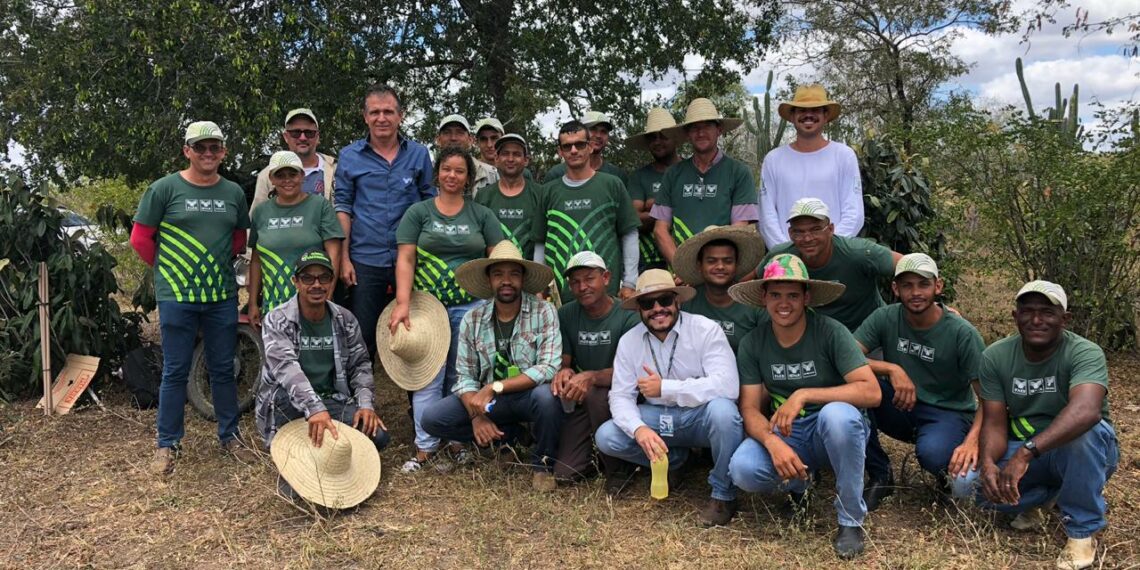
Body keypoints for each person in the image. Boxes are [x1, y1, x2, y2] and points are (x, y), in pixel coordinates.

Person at [726, 254, 880, 559]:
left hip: (830, 427)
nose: (784, 304)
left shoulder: (830, 331)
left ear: (806, 297)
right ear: (764, 298)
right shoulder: (754, 343)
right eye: (776, 295)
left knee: (839, 417)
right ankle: (800, 484)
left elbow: (871, 391)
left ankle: (850, 519)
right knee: (742, 469)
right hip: (787, 430)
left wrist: (804, 394)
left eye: (793, 295)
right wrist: (772, 443)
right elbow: (749, 409)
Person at [130, 121, 255, 475]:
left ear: (223, 152)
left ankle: (230, 437)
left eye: (214, 147)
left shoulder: (232, 193)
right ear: (187, 151)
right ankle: (167, 445)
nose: (207, 153)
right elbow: (140, 239)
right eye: (200, 147)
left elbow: (237, 239)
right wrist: (168, 269)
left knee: (223, 368)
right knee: (175, 369)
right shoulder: (164, 189)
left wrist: (216, 267)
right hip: (177, 295)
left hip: (220, 295)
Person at [977, 281, 1118, 570]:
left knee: (1082, 435)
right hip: (1032, 450)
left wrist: (1025, 454)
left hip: (1086, 449)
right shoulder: (996, 356)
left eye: (1047, 312)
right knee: (972, 488)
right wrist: (988, 462)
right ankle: (1049, 497)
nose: (1037, 320)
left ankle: (1082, 531)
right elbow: (993, 422)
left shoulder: (1084, 352)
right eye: (1027, 311)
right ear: (1015, 317)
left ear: (1064, 319)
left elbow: (1087, 411)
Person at [594, 269, 743, 526]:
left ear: (678, 301)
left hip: (699, 417)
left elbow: (728, 386)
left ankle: (723, 494)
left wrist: (667, 388)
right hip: (658, 419)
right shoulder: (629, 342)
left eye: (664, 300)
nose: (657, 309)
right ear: (639, 308)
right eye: (647, 303)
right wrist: (639, 429)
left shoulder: (706, 330)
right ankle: (675, 461)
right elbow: (620, 396)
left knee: (724, 413)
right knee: (607, 436)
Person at [391, 147, 505, 472]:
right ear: (437, 173)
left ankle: (458, 443)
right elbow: (406, 258)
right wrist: (402, 303)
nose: (452, 176)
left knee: (462, 376)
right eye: (446, 169)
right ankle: (424, 449)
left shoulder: (480, 214)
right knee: (427, 378)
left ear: (469, 177)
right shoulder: (419, 212)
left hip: (471, 308)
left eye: (459, 171)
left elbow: (498, 257)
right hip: (428, 309)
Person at [421, 241, 564, 491]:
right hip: (489, 402)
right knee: (433, 418)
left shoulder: (544, 311)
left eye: (513, 274)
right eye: (498, 274)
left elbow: (548, 367)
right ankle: (510, 437)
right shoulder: (472, 319)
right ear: (489, 280)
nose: (506, 281)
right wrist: (477, 416)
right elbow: (464, 376)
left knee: (547, 398)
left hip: (525, 395)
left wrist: (495, 387)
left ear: (523, 279)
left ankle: (543, 465)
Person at [854, 253, 985, 510]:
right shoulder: (886, 317)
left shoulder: (962, 333)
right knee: (853, 391)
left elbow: (991, 398)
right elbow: (846, 357)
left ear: (938, 286)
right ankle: (880, 474)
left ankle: (945, 476)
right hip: (902, 404)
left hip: (948, 411)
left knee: (935, 456)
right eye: (907, 285)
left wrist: (973, 441)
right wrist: (891, 368)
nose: (915, 292)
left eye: (923, 284)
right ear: (895, 289)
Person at [335, 83, 435, 360]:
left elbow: (431, 204)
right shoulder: (349, 156)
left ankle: (418, 404)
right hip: (365, 260)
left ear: (400, 116)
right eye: (375, 112)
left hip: (412, 258)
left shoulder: (418, 154)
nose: (382, 118)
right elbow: (343, 208)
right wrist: (344, 259)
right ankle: (360, 401)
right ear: (365, 116)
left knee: (416, 335)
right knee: (362, 338)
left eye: (388, 111)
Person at [255, 248, 389, 452]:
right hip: (289, 400)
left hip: (330, 398)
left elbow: (360, 365)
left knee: (378, 437)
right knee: (302, 449)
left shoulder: (345, 319)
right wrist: (315, 409)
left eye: (323, 278)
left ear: (331, 281)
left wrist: (365, 405)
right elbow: (287, 369)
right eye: (308, 278)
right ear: (295, 282)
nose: (316, 285)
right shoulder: (277, 320)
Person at [553, 251, 640, 486]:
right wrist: (564, 371)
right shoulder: (567, 314)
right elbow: (566, 359)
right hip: (582, 397)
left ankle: (618, 467)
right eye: (575, 282)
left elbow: (630, 373)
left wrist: (591, 377)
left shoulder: (627, 315)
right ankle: (595, 455)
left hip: (623, 395)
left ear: (606, 278)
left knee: (596, 395)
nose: (582, 287)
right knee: (565, 474)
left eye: (589, 278)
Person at [534, 120, 640, 300]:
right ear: (560, 152)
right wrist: (539, 286)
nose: (574, 150)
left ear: (590, 147)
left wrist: (630, 283)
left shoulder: (612, 184)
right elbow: (540, 242)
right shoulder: (548, 191)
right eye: (567, 146)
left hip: (607, 294)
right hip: (562, 296)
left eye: (580, 144)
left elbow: (629, 233)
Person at [764, 197, 900, 332]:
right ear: (790, 234)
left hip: (868, 334)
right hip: (817, 337)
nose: (807, 238)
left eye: (815, 230)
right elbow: (752, 283)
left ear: (830, 229)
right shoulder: (781, 258)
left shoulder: (858, 253)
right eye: (799, 232)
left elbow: (907, 263)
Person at [652, 98, 759, 265]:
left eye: (707, 126)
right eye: (694, 128)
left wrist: (713, 266)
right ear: (687, 134)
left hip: (722, 270)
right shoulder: (673, 174)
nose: (701, 133)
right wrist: (683, 268)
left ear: (719, 129)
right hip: (680, 276)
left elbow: (739, 230)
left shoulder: (738, 172)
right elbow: (660, 229)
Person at [759, 85, 862, 249]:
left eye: (815, 110)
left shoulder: (844, 156)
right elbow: (767, 214)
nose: (808, 115)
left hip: (834, 254)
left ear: (826, 115)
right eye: (801, 110)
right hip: (788, 259)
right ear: (792, 116)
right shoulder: (773, 159)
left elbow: (854, 212)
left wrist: (831, 250)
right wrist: (786, 251)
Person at [247, 151, 343, 326]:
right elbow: (256, 260)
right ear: (271, 179)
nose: (287, 180)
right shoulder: (261, 212)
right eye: (280, 175)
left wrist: (328, 296)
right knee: (278, 353)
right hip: (274, 304)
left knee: (314, 351)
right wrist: (253, 303)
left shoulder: (319, 206)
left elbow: (334, 253)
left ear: (302, 176)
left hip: (314, 301)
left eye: (292, 174)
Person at [674, 225, 765, 354]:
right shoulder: (687, 301)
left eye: (728, 261)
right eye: (711, 261)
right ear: (700, 265)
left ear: (736, 264)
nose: (720, 266)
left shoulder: (754, 303)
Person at [251, 108, 337, 213]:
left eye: (309, 133)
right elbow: (256, 219)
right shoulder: (266, 175)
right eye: (296, 133)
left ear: (317, 137)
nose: (302, 138)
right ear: (286, 137)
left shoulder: (337, 170)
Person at [625, 107, 680, 271]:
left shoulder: (690, 171)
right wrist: (672, 209)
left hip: (689, 255)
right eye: (652, 138)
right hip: (650, 261)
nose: (657, 142)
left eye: (663, 136)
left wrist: (653, 208)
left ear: (676, 138)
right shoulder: (639, 177)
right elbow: (633, 220)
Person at [474, 134, 543, 259]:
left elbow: (543, 240)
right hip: (494, 272)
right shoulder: (483, 195)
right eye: (505, 154)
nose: (510, 159)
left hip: (531, 272)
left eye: (516, 154)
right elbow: (478, 241)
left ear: (526, 160)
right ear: (496, 158)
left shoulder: (540, 193)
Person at [544, 111, 627, 184]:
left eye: (603, 132)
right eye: (593, 129)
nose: (598, 135)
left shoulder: (617, 175)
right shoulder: (556, 174)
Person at [436, 113, 499, 194]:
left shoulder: (490, 174)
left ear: (470, 140)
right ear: (438, 140)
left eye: (460, 132)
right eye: (447, 132)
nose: (453, 138)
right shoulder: (428, 172)